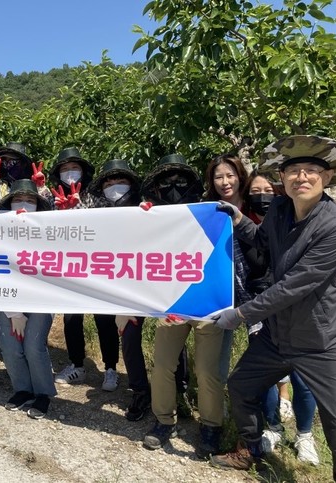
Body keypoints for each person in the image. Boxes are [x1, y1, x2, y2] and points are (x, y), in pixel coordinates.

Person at [209, 135, 336, 483]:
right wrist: (238, 220)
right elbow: (263, 245)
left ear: (326, 179)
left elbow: (295, 285)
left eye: (312, 171)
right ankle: (248, 448)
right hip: (279, 335)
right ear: (283, 178)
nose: (302, 177)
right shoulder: (280, 209)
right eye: (294, 171)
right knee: (241, 386)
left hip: (327, 342)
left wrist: (241, 315)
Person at [137, 154, 223, 459]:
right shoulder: (155, 214)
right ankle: (164, 420)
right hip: (172, 304)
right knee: (162, 366)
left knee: (207, 370)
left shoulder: (212, 211)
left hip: (211, 305)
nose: (174, 186)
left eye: (181, 181)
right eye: (166, 182)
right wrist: (144, 216)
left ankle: (211, 425)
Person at [244, 172, 320, 465]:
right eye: (255, 190)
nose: (262, 195)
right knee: (262, 371)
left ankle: (304, 434)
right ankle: (272, 427)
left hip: (300, 308)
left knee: (302, 375)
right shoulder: (247, 221)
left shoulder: (300, 219)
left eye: (268, 190)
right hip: (259, 304)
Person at [48, 147, 120, 392]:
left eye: (74, 168)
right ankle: (76, 364)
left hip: (97, 267)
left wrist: (78, 209)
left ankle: (110, 368)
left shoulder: (95, 195)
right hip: (68, 268)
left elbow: (106, 223)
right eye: (65, 169)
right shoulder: (51, 198)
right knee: (71, 318)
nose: (70, 173)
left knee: (104, 318)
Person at [84, 159, 149, 419]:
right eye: (109, 183)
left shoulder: (147, 210)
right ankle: (137, 389)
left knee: (164, 338)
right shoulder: (99, 212)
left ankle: (178, 388)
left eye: (120, 182)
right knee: (119, 334)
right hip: (108, 285)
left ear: (131, 184)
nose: (114, 187)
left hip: (145, 288)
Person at [0, 179, 56, 419]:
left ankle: (42, 394)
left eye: (30, 201)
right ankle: (22, 389)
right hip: (6, 299)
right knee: (10, 348)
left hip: (41, 300)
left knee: (33, 346)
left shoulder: (50, 233)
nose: (23, 204)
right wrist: (14, 312)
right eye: (18, 200)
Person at [203, 154, 253, 385]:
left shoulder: (256, 203)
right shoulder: (209, 209)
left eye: (230, 175)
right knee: (219, 349)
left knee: (265, 349)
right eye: (218, 177)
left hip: (257, 289)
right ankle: (218, 397)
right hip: (223, 290)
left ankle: (278, 401)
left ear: (240, 177)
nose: (225, 182)